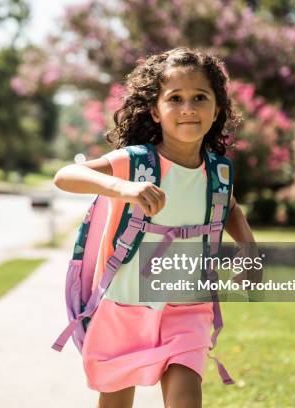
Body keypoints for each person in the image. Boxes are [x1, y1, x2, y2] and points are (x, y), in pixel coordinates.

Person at [54, 48, 259, 408]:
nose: (188, 108)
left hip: (187, 307)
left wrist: (248, 248)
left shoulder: (219, 172)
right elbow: (66, 176)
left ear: (217, 109)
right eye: (175, 99)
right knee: (116, 401)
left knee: (186, 400)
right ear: (155, 110)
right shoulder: (134, 162)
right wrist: (122, 187)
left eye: (200, 98)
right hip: (125, 305)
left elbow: (229, 208)